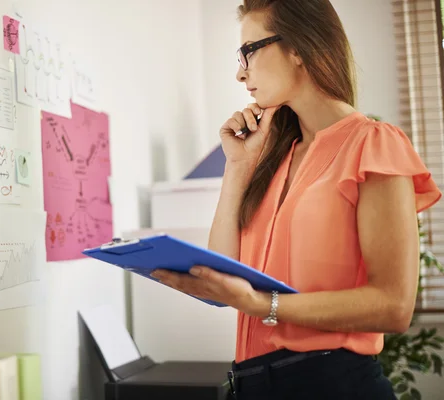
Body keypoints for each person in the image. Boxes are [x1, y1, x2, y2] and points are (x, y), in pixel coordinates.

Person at [149, 0, 442, 398]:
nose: (240, 73)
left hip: (331, 385)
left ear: (299, 48)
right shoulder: (272, 157)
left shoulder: (372, 144)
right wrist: (237, 168)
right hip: (251, 384)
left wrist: (262, 305)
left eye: (249, 51)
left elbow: (393, 305)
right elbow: (224, 275)